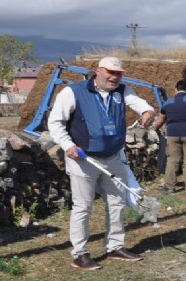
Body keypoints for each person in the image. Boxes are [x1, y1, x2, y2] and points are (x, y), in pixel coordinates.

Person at [47, 56, 155, 270]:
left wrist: (148, 111)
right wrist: (67, 145)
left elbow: (140, 104)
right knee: (83, 206)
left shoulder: (123, 91)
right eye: (110, 72)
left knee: (117, 204)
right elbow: (55, 121)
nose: (114, 77)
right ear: (98, 71)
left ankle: (115, 246)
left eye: (118, 73)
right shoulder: (73, 91)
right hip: (83, 159)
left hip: (114, 157)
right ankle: (80, 253)